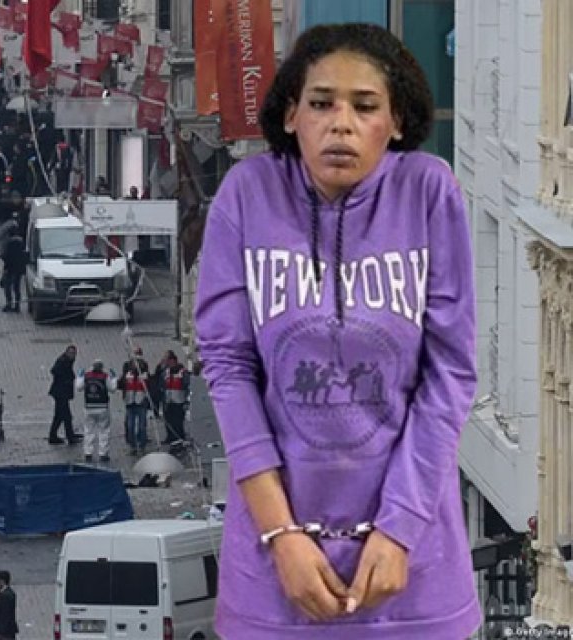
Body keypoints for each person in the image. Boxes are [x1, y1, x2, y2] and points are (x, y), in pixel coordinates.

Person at [194, 22, 479, 638]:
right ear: (292, 115)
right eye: (321, 103)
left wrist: (400, 528)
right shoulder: (246, 195)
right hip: (276, 576)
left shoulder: (429, 192)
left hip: (412, 570)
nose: (341, 123)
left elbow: (450, 372)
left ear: (397, 122)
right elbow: (227, 364)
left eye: (364, 106)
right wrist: (281, 538)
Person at [76, 360, 117, 462]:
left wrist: (79, 376)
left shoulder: (87, 376)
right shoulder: (105, 376)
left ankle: (88, 453)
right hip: (102, 407)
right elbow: (112, 389)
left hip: (89, 406)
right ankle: (103, 453)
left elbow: (79, 387)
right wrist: (114, 378)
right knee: (104, 431)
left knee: (88, 430)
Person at [119, 359, 152, 456]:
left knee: (142, 426)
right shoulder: (127, 374)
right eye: (133, 364)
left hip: (141, 403)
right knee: (130, 426)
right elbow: (120, 385)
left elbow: (151, 387)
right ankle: (132, 446)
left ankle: (142, 445)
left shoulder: (145, 375)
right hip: (130, 403)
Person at [47, 345, 79, 444]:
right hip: (61, 393)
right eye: (70, 353)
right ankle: (69, 437)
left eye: (74, 353)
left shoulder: (67, 361)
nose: (72, 355)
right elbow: (54, 371)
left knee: (59, 415)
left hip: (60, 393)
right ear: (66, 353)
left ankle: (53, 435)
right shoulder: (63, 361)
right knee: (66, 416)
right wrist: (65, 380)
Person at [159, 352, 190, 446]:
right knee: (168, 421)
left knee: (178, 422)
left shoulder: (183, 372)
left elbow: (187, 386)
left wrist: (187, 401)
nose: (167, 362)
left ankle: (179, 438)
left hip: (179, 401)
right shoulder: (166, 372)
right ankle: (170, 437)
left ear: (173, 360)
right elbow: (161, 384)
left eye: (168, 360)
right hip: (168, 401)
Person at [0, 571, 18, 640]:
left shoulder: (6, 596)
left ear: (2, 581)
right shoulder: (6, 594)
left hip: (5, 633)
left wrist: (0, 632)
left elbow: (4, 614)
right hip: (4, 632)